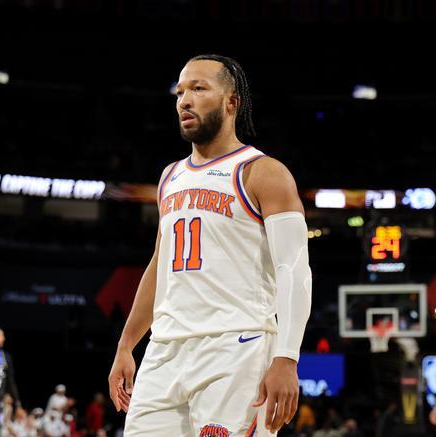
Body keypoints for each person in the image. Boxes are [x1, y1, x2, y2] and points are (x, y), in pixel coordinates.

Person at [108, 54, 312, 436]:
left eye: (199, 89)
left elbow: (294, 268)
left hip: (237, 347)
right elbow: (160, 265)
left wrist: (287, 356)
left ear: (232, 102)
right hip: (165, 349)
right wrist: (126, 344)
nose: (184, 101)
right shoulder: (170, 177)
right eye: (180, 92)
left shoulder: (264, 172)